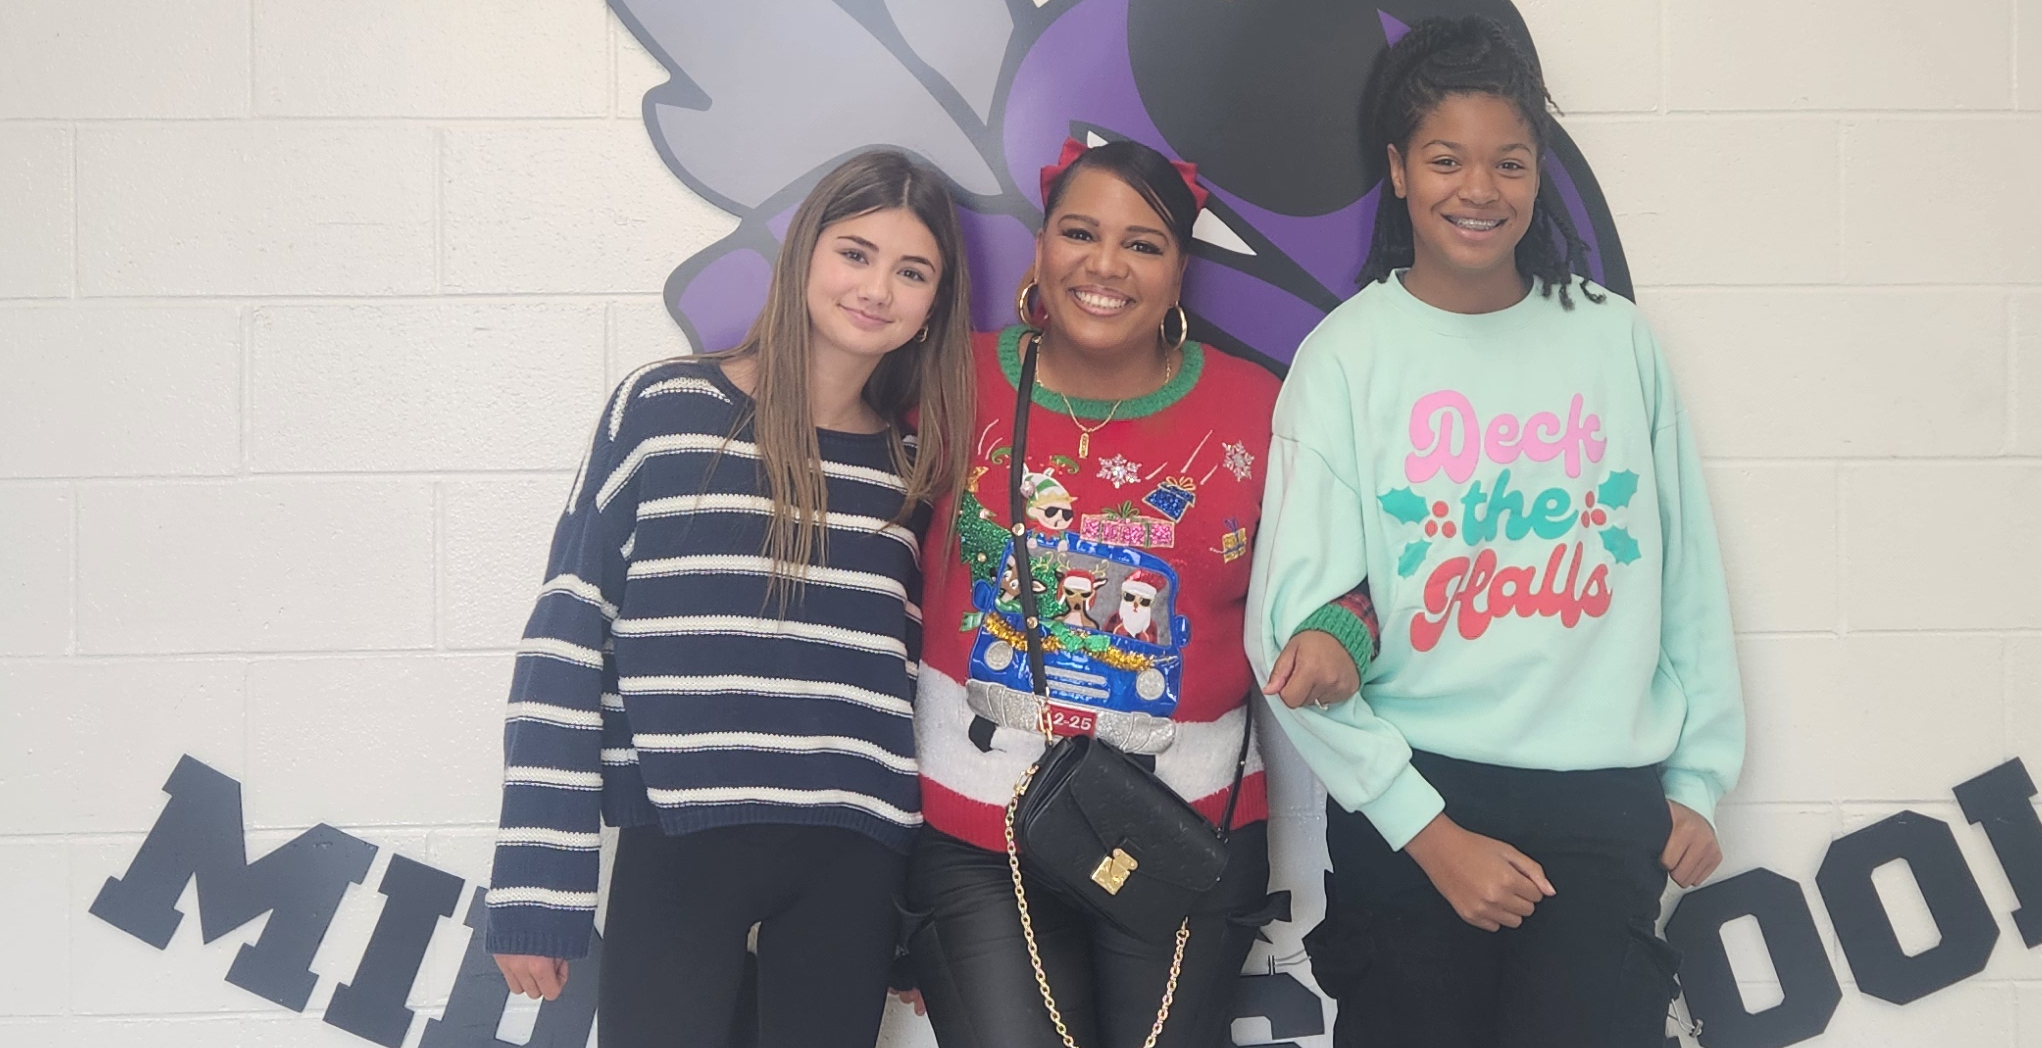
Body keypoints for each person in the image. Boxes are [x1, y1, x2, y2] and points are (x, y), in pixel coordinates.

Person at [1249, 17, 1745, 1048]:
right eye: (1444, 159)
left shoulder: (1612, 341)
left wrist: (1695, 778)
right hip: (1417, 793)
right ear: (1395, 170)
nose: (1478, 188)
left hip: (1603, 802)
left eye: (1507, 162)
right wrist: (1427, 836)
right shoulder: (1344, 361)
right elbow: (1288, 635)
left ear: (1536, 175)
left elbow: (1684, 574)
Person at [484, 149, 975, 1048]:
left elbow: (914, 697)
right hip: (680, 837)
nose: (877, 288)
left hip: (851, 864)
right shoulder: (664, 410)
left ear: (934, 304)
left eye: (913, 271)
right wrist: (538, 881)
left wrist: (922, 917)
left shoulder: (913, 475)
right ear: (804, 254)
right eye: (856, 252)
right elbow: (566, 634)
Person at [901, 138, 1377, 1048]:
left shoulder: (1260, 410)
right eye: (1080, 232)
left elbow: (1361, 578)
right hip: (977, 835)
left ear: (1179, 272)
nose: (1106, 265)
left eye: (1144, 244)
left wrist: (1338, 635)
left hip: (1181, 835)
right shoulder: (947, 380)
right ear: (1041, 249)